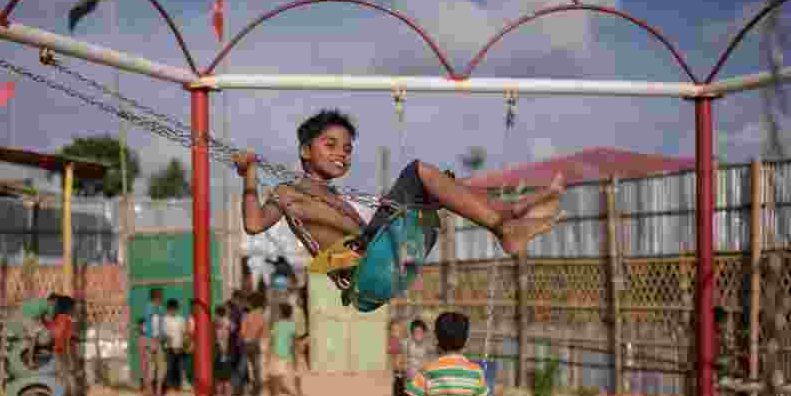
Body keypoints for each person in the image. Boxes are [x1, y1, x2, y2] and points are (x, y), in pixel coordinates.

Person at [231, 110, 565, 283]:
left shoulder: (334, 195)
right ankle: (505, 222)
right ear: (305, 150)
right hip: (356, 265)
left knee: (438, 184)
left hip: (370, 253)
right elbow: (254, 223)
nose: (341, 154)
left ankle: (509, 212)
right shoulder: (289, 191)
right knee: (418, 172)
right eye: (330, 145)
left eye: (347, 149)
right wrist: (249, 177)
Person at [47, 295, 85, 396]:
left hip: (59, 353)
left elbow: (55, 334)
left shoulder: (59, 319)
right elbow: (63, 338)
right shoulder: (65, 319)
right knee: (66, 383)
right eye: (73, 307)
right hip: (63, 353)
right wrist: (71, 359)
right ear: (68, 307)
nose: (75, 309)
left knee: (63, 383)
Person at [238, 292, 267, 396]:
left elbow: (242, 333)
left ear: (251, 303)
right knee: (257, 371)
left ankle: (237, 393)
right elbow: (265, 334)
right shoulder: (262, 316)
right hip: (257, 344)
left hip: (246, 344)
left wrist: (242, 340)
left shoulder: (247, 316)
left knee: (241, 368)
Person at [267, 302, 297, 396]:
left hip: (276, 352)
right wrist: (294, 355)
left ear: (281, 313)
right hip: (285, 353)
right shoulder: (292, 325)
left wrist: (268, 352)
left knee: (275, 375)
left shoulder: (277, 324)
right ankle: (278, 394)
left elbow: (272, 339)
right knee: (280, 374)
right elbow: (293, 342)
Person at [161, 298, 192, 396]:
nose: (173, 311)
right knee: (169, 368)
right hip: (169, 348)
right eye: (171, 309)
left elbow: (184, 333)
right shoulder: (165, 319)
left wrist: (184, 344)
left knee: (181, 367)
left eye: (175, 308)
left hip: (180, 347)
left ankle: (181, 385)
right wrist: (172, 347)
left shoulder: (181, 319)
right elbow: (165, 335)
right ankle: (166, 387)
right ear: (168, 309)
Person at [143, 288, 166, 396]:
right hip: (152, 340)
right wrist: (151, 340)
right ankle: (151, 391)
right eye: (160, 296)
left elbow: (160, 325)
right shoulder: (150, 308)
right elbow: (149, 326)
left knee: (159, 366)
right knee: (152, 366)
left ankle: (157, 391)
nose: (161, 298)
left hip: (157, 340)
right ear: (156, 297)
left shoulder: (159, 309)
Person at [388, 320, 408, 396]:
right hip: (399, 376)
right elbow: (394, 359)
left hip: (405, 376)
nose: (393, 333)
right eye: (392, 330)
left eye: (396, 330)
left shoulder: (404, 343)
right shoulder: (394, 343)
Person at [213, 304, 234, 396]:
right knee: (226, 375)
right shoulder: (227, 321)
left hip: (220, 350)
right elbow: (233, 328)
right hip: (225, 350)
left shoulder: (216, 322)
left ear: (217, 313)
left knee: (219, 375)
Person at [291, 287, 308, 396]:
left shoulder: (299, 311)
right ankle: (299, 391)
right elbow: (296, 329)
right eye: (300, 298)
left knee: (297, 366)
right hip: (296, 340)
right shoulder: (297, 311)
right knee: (297, 367)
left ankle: (299, 390)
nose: (301, 301)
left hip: (299, 340)